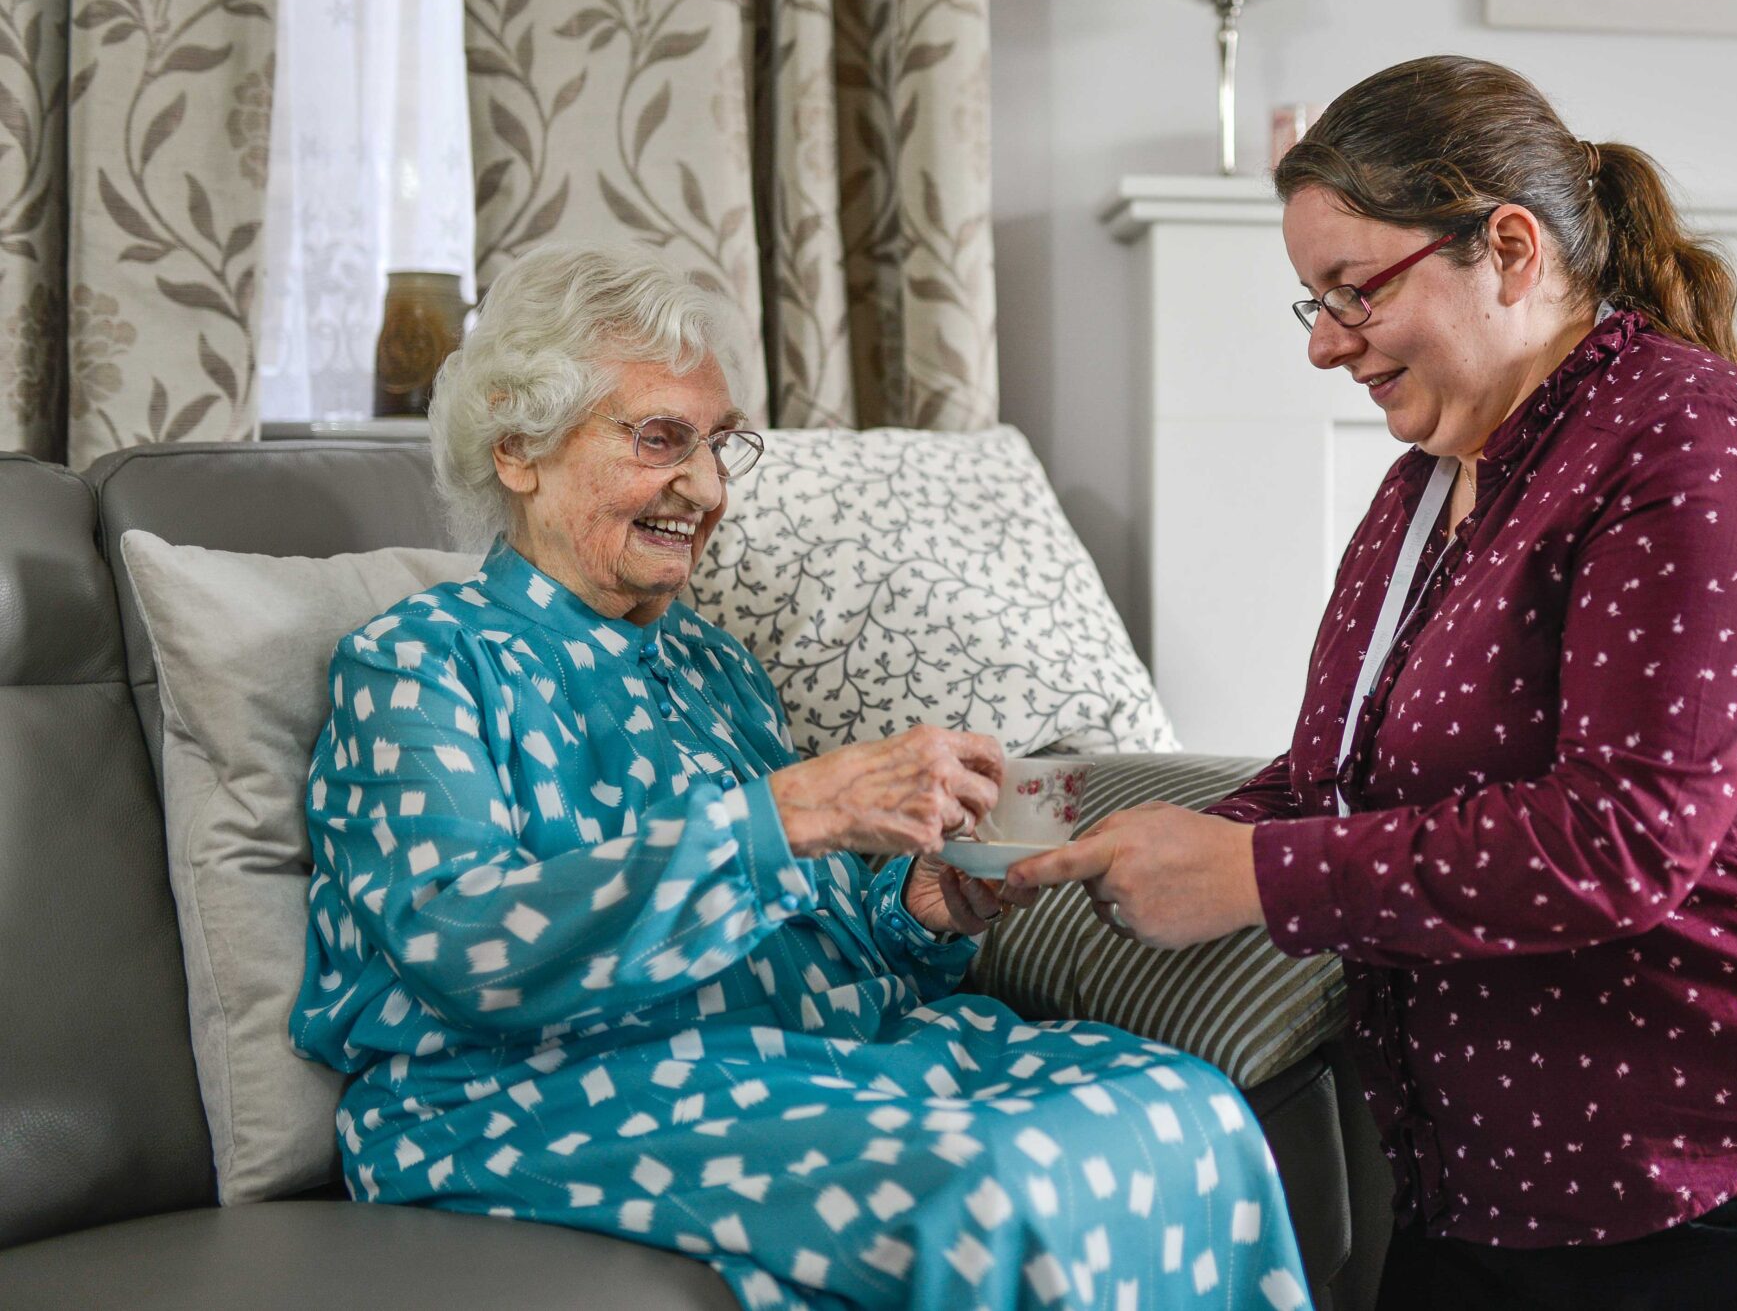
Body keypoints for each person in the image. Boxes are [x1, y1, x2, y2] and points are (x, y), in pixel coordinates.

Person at [1013, 57, 1737, 1310]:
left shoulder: (1696, 441)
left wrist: (1248, 877)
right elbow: (1328, 783)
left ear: (1509, 250)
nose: (1323, 347)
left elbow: (1623, 837)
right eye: (1309, 304)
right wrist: (1070, 850)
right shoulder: (1425, 488)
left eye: (1352, 291)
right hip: (1494, 1179)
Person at [292, 244, 1310, 1311]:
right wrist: (788, 813)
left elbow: (810, 935)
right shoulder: (424, 660)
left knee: (1183, 1104)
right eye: (659, 441)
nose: (706, 487)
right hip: (529, 1090)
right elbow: (464, 947)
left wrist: (925, 905)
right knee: (987, 1184)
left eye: (720, 446)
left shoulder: (712, 665)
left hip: (804, 1061)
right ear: (517, 452)